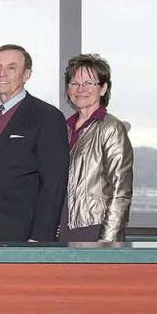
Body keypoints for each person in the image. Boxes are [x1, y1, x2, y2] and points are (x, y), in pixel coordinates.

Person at [0, 44, 69, 242]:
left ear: (26, 74)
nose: (2, 74)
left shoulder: (47, 117)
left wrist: (40, 236)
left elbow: (54, 183)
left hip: (24, 234)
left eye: (11, 68)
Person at [61, 54, 133, 242]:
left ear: (103, 88)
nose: (80, 89)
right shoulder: (63, 128)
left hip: (94, 227)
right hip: (62, 226)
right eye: (74, 83)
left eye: (88, 83)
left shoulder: (111, 128)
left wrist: (109, 240)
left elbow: (121, 191)